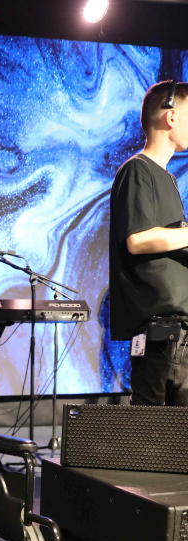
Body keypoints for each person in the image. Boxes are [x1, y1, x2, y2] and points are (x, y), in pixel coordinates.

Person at [109, 79, 188, 405]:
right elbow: (137, 240)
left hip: (180, 330)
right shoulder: (137, 170)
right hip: (158, 332)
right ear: (171, 117)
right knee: (151, 427)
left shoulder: (168, 179)